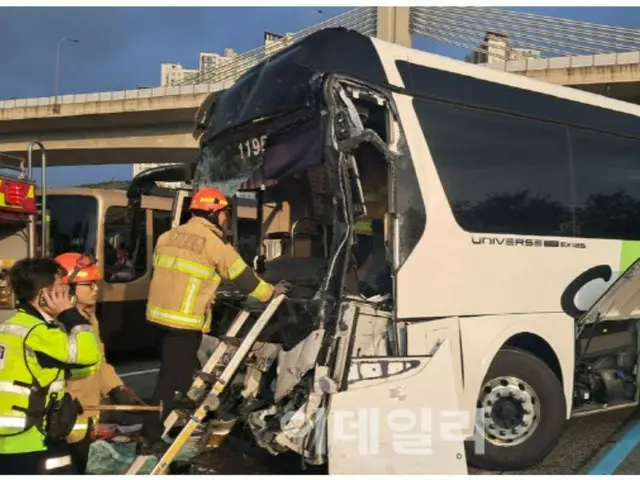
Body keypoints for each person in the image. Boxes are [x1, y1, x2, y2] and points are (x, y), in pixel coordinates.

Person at [140, 187, 290, 450]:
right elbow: (244, 278)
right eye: (223, 214)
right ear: (213, 213)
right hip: (184, 320)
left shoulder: (168, 235)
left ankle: (184, 403)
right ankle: (149, 436)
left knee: (178, 373)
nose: (224, 219)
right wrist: (270, 294)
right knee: (169, 383)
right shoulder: (214, 244)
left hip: (159, 316)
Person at [0, 257, 102, 474]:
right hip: (33, 442)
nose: (68, 294)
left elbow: (76, 368)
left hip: (9, 442)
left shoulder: (11, 327)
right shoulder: (38, 333)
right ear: (46, 294)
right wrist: (70, 314)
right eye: (62, 288)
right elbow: (89, 356)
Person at [54, 252, 144, 474]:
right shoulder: (57, 324)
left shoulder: (87, 316)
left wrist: (115, 387)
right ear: (68, 289)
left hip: (85, 411)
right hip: (65, 414)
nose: (96, 289)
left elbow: (98, 360)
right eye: (89, 284)